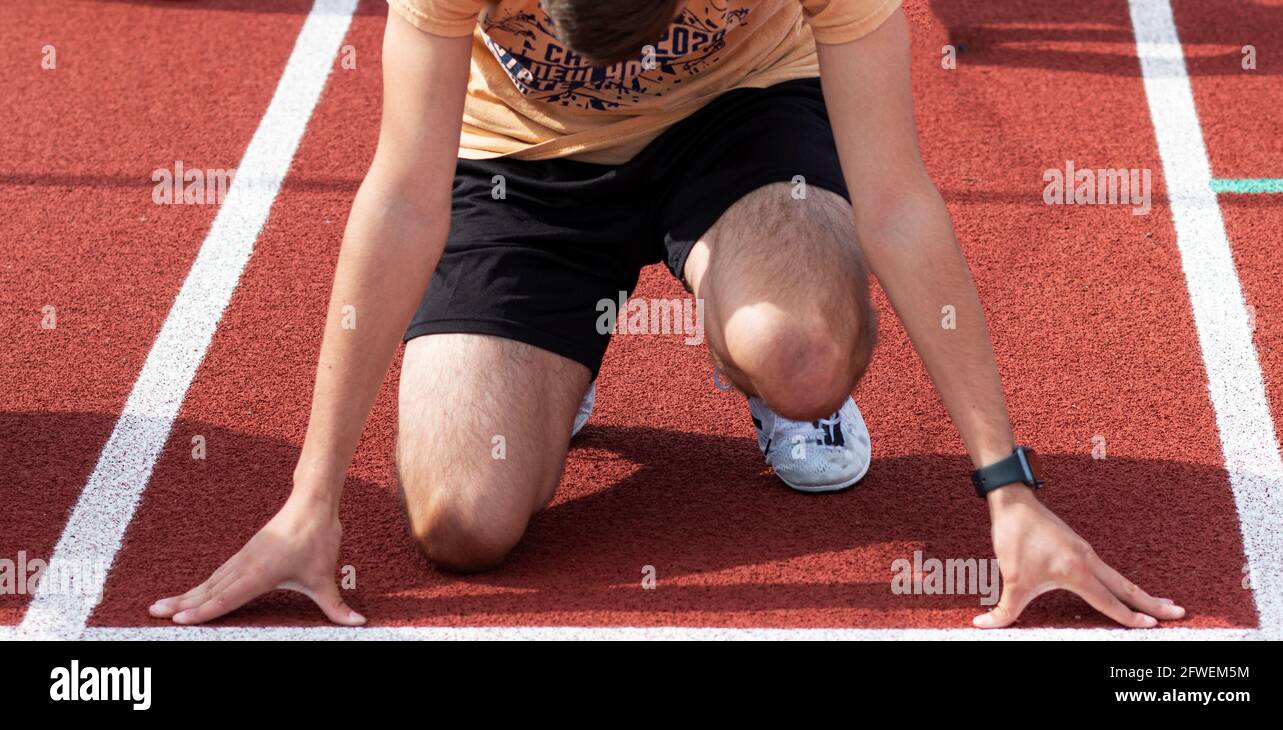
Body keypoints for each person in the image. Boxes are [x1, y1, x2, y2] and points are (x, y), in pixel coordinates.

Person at [150, 0, 1187, 629]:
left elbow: (900, 201)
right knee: (460, 524)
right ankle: (557, 361)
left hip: (739, 122)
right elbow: (404, 195)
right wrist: (310, 495)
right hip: (521, 163)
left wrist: (1005, 487)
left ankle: (769, 370)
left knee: (802, 349)